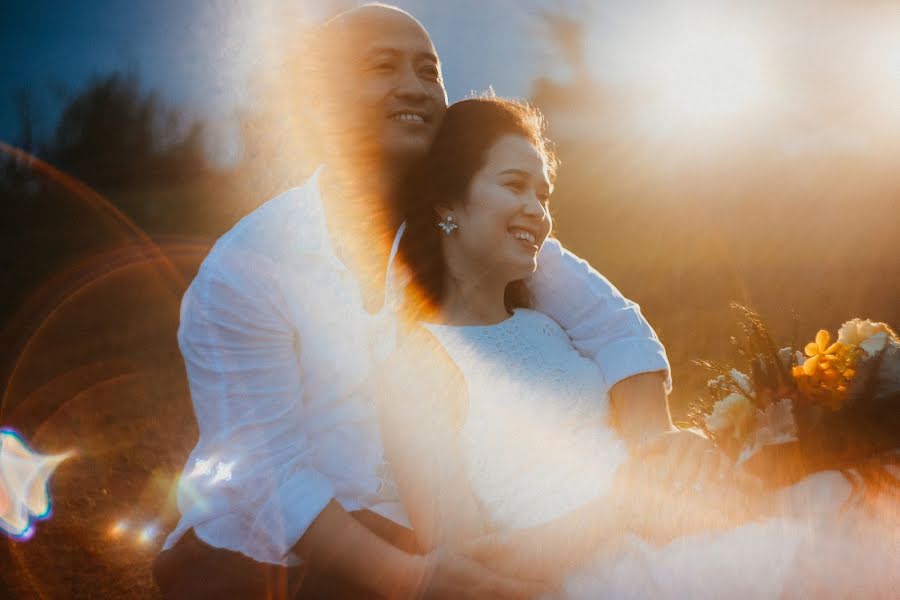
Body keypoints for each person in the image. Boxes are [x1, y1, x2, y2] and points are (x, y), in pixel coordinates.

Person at [153, 4, 689, 599]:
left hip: (436, 527)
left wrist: (652, 447)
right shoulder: (246, 266)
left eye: (428, 70)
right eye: (383, 67)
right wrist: (412, 580)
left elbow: (614, 327)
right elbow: (266, 473)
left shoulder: (466, 222)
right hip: (269, 551)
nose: (414, 85)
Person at [377, 96, 900, 599]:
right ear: (448, 204)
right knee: (836, 540)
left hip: (665, 529)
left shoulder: (544, 325)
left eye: (544, 195)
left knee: (859, 493)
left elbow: (625, 376)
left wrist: (684, 454)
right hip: (596, 574)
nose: (536, 210)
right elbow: (466, 563)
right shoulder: (418, 361)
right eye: (515, 185)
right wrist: (623, 510)